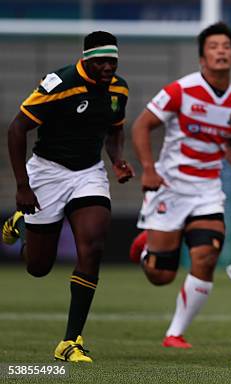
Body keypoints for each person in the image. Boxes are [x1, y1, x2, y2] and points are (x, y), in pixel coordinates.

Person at [1, 31, 133, 362]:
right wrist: (22, 186)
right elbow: (17, 129)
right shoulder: (59, 82)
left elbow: (115, 130)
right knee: (38, 267)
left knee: (93, 246)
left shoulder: (118, 88)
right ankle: (23, 223)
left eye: (112, 62)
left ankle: (70, 341)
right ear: (86, 59)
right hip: (46, 172)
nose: (108, 68)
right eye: (101, 62)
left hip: (88, 173)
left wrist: (117, 160)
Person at [129, 22, 231, 349]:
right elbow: (142, 125)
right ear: (202, 57)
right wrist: (147, 169)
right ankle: (148, 247)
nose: (221, 51)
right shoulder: (180, 90)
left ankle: (175, 332)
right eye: (214, 46)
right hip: (170, 187)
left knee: (205, 256)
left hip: (207, 191)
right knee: (161, 276)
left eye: (226, 47)